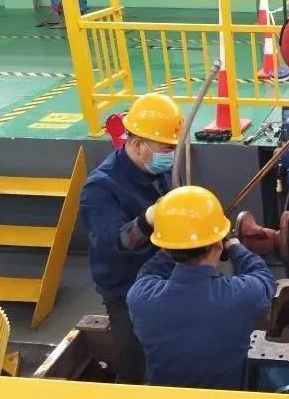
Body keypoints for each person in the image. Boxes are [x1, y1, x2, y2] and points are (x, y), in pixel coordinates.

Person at [126, 186, 276, 389]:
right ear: (218, 245)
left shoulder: (140, 298)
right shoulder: (242, 296)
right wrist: (234, 246)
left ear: (166, 247)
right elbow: (263, 277)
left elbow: (148, 272)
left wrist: (175, 240)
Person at [79, 93, 182, 384]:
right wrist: (149, 219)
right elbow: (117, 243)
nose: (170, 156)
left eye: (173, 149)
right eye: (166, 149)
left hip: (165, 277)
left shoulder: (158, 169)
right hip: (126, 291)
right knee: (137, 366)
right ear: (137, 145)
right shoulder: (100, 189)